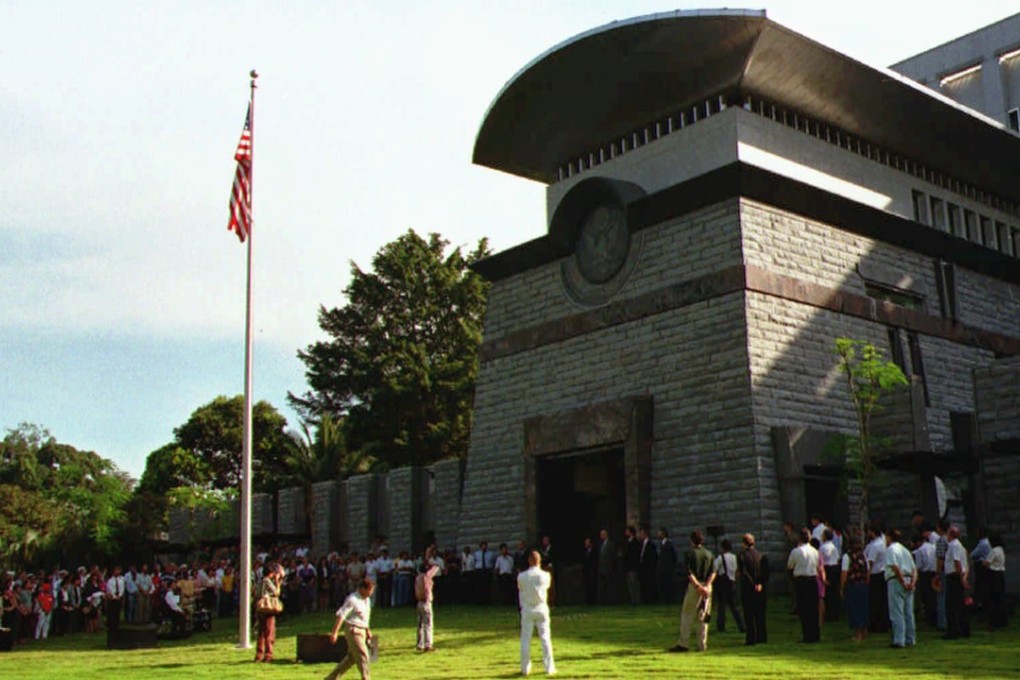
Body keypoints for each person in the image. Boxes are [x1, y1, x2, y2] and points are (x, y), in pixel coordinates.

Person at [670, 529, 716, 652]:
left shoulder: (689, 554)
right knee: (704, 616)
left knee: (687, 614)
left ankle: (683, 642)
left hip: (695, 585)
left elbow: (689, 573)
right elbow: (713, 572)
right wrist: (706, 586)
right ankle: (702, 644)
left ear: (691, 541)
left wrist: (697, 587)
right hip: (707, 586)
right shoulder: (709, 554)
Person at [517, 549, 556, 677]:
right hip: (541, 607)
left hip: (528, 608)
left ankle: (525, 668)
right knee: (545, 638)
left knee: (525, 639)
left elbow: (521, 591)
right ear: (540, 561)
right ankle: (549, 668)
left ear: (529, 561)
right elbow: (546, 588)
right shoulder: (545, 576)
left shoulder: (522, 577)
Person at [328, 578, 375, 680]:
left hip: (362, 630)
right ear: (362, 588)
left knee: (351, 659)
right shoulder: (352, 599)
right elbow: (341, 615)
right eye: (369, 590)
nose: (370, 593)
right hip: (353, 630)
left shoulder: (367, 600)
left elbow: (365, 616)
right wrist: (334, 633)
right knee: (363, 655)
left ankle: (330, 678)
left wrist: (368, 630)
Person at [884, 529, 917, 648]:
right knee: (908, 612)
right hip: (909, 578)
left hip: (896, 580)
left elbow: (894, 566)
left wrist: (902, 581)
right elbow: (914, 568)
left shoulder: (890, 549)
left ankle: (899, 639)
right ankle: (910, 638)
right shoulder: (905, 550)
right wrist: (912, 582)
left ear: (889, 537)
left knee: (897, 611)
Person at [788, 527, 820, 643]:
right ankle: (815, 634)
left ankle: (807, 635)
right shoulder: (815, 551)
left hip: (801, 580)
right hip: (812, 579)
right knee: (813, 608)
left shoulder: (796, 551)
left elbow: (790, 566)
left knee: (803, 608)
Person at [738, 533, 768, 645]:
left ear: (743, 543)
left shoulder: (742, 556)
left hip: (748, 590)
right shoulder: (760, 555)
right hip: (760, 589)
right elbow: (765, 572)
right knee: (760, 614)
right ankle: (762, 636)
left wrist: (753, 584)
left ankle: (751, 638)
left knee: (749, 615)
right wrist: (760, 583)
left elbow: (744, 572)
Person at [943, 526, 970, 640]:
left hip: (954, 577)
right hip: (960, 575)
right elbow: (965, 564)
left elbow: (957, 562)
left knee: (951, 605)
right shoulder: (961, 547)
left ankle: (953, 630)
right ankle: (963, 629)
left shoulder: (953, 545)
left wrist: (960, 578)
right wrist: (964, 577)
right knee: (960, 605)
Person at [712, 539, 744, 633]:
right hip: (732, 582)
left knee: (721, 606)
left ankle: (721, 626)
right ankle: (741, 625)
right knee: (735, 606)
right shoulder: (735, 558)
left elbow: (714, 569)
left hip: (723, 583)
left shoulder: (720, 558)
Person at [841, 536, 870, 642]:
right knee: (863, 608)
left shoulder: (847, 557)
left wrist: (842, 587)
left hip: (853, 585)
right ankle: (864, 631)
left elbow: (844, 573)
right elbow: (867, 571)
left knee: (854, 609)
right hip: (863, 585)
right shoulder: (863, 556)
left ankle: (857, 634)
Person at [254, 562, 284, 663]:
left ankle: (259, 654)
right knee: (269, 631)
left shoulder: (260, 580)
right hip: (268, 608)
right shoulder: (267, 581)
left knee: (261, 632)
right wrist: (277, 581)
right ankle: (268, 654)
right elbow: (276, 592)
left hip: (260, 608)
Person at [414, 561, 440, 651]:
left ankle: (419, 644)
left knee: (420, 625)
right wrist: (430, 560)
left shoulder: (417, 577)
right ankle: (428, 644)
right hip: (426, 602)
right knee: (428, 624)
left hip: (419, 602)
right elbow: (436, 567)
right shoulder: (426, 577)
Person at [983, 533, 1007, 629]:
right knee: (1000, 598)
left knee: (993, 598)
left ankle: (994, 621)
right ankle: (1002, 620)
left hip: (993, 574)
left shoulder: (993, 551)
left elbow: (986, 563)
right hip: (1000, 574)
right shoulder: (1001, 550)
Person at [657, 527, 678, 605]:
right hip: (663, 568)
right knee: (664, 584)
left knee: (669, 584)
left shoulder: (669, 544)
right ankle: (666, 599)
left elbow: (673, 556)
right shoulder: (662, 544)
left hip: (668, 568)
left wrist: (670, 565)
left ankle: (671, 599)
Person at [597, 528, 616, 605]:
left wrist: (612, 568)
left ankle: (609, 601)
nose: (601, 536)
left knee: (609, 586)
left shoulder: (610, 544)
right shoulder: (600, 545)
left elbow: (613, 557)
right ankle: (602, 601)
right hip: (601, 569)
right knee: (602, 586)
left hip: (608, 569)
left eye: (603, 534)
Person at [623, 527, 640, 605]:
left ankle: (635, 600)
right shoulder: (627, 542)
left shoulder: (635, 542)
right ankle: (632, 599)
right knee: (629, 584)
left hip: (633, 566)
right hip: (628, 567)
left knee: (634, 584)